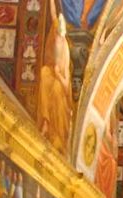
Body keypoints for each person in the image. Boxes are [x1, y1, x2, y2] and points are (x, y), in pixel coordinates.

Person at [36, 0, 73, 154]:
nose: (57, 38)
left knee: (57, 89)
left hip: (62, 84)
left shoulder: (65, 52)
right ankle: (45, 121)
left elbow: (66, 86)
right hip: (53, 74)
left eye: (59, 36)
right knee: (44, 72)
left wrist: (58, 74)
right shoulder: (55, 33)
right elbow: (52, 15)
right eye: (56, 34)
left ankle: (57, 136)